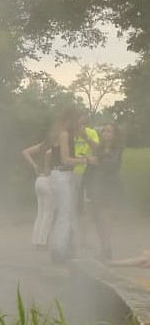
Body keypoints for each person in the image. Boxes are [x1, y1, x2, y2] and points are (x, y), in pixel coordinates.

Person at [47, 105, 97, 264]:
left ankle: (60, 248)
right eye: (79, 120)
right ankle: (60, 251)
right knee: (65, 214)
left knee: (64, 213)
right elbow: (66, 160)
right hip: (62, 174)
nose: (81, 124)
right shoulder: (64, 134)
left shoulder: (61, 132)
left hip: (60, 175)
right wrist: (86, 160)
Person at [86, 123, 123, 261]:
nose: (105, 133)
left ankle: (107, 248)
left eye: (108, 131)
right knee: (97, 219)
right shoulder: (99, 148)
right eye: (104, 131)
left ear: (114, 135)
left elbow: (113, 164)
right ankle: (104, 247)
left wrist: (98, 162)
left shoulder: (117, 149)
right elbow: (92, 165)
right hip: (97, 186)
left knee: (105, 217)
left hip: (110, 187)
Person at [73, 114, 99, 249]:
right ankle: (70, 236)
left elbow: (97, 149)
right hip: (71, 173)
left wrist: (86, 137)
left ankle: (83, 239)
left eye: (83, 123)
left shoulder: (92, 133)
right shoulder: (70, 134)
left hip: (86, 174)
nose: (80, 126)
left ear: (86, 124)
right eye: (78, 123)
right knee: (71, 206)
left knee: (84, 207)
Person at [21, 139, 54, 248]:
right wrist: (48, 169)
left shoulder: (43, 145)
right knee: (48, 213)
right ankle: (43, 241)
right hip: (48, 179)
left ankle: (36, 240)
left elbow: (25, 152)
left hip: (39, 179)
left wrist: (34, 165)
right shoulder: (53, 148)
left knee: (40, 213)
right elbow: (49, 156)